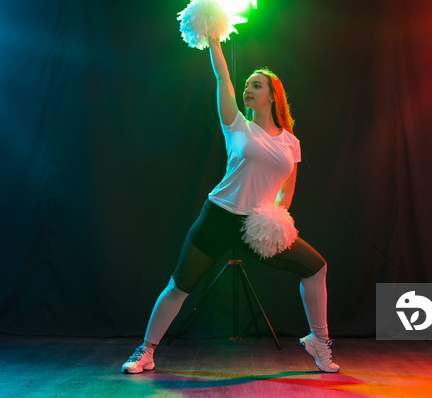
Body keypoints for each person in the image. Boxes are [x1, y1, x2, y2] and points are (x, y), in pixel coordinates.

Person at [121, 38, 339, 374]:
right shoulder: (236, 124)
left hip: (259, 228)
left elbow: (286, 192)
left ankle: (319, 342)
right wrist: (213, 40)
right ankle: (145, 351)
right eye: (248, 85)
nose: (248, 89)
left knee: (316, 266)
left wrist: (274, 220)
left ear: (273, 95)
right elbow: (223, 77)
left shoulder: (290, 143)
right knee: (179, 286)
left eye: (257, 85)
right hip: (219, 216)